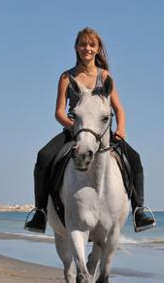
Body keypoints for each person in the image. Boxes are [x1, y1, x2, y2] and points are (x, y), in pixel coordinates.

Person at [24, 27, 156, 234]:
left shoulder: (104, 76)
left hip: (103, 133)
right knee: (43, 157)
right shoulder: (66, 77)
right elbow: (59, 112)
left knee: (135, 159)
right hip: (74, 132)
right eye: (83, 44)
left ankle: (139, 209)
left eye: (91, 45)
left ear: (97, 49)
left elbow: (119, 109)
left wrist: (120, 129)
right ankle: (40, 211)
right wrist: (76, 128)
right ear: (76, 47)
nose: (87, 48)